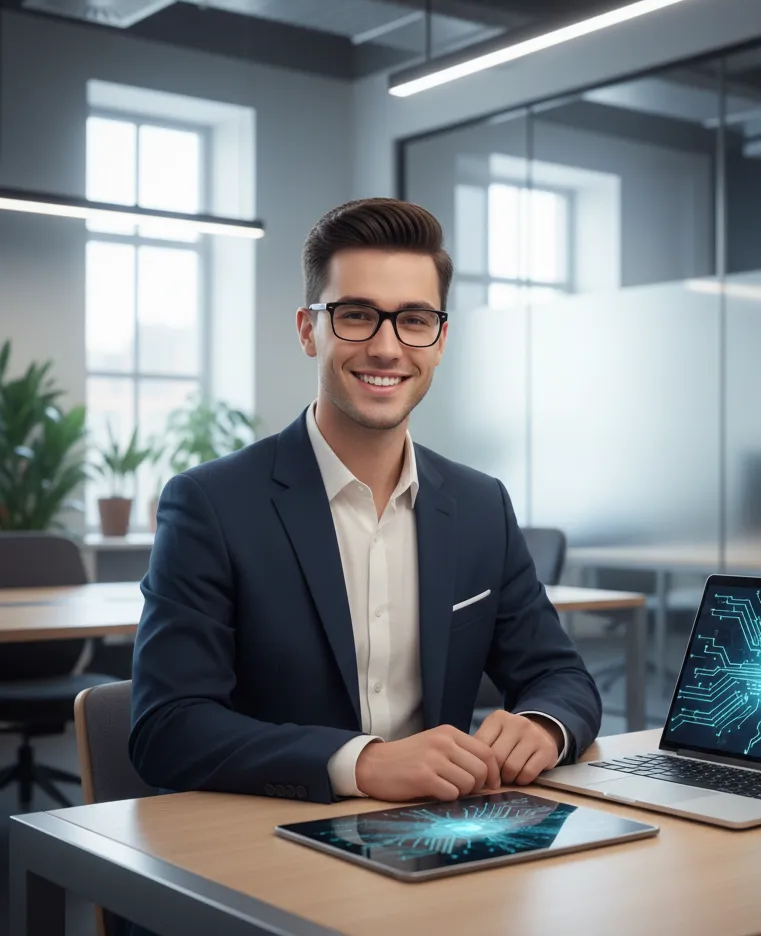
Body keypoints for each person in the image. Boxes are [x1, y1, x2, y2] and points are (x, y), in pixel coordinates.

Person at [130, 197, 601, 807]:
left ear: (439, 338)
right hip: (275, 843)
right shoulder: (211, 505)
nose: (386, 348)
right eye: (356, 315)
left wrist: (542, 723)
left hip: (446, 841)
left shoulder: (480, 505)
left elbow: (560, 676)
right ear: (308, 330)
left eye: (414, 319)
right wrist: (362, 765)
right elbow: (168, 728)